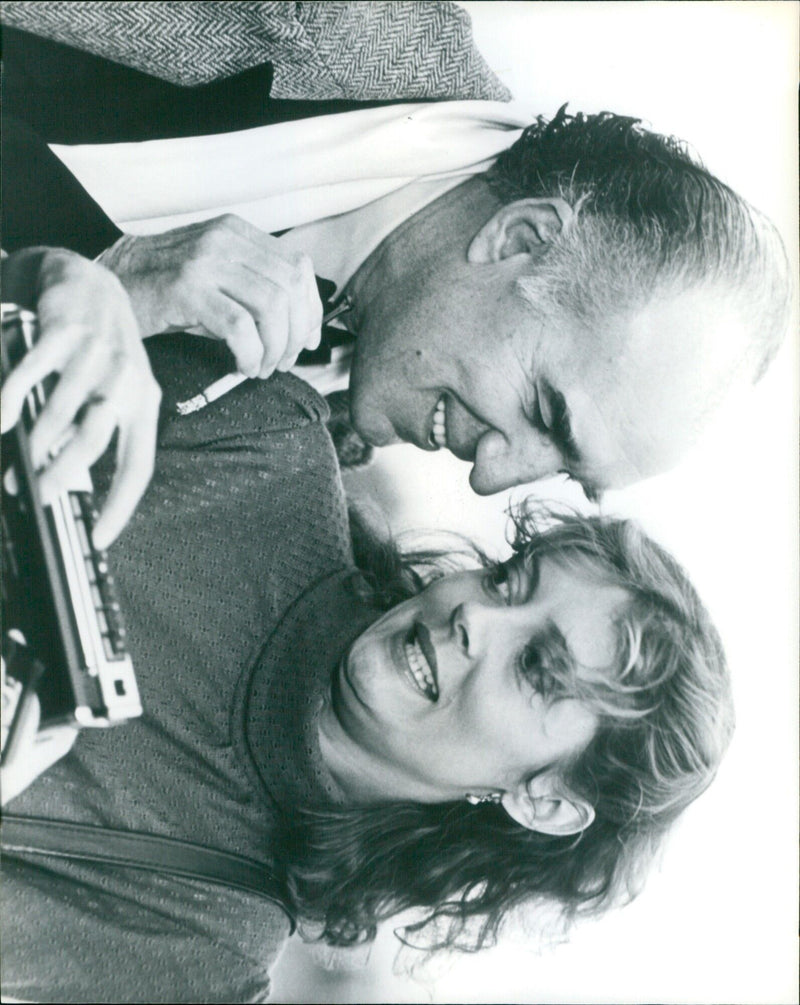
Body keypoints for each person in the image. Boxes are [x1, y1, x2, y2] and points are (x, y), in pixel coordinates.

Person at [1, 253, 734, 1002]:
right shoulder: (264, 445)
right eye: (508, 582)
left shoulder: (206, 946)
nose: (475, 615)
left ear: (542, 799)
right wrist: (68, 279)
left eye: (536, 667)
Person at [0, 15, 791, 540]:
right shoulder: (340, 20)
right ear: (520, 237)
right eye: (545, 412)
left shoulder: (305, 453)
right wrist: (99, 266)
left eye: (561, 474)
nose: (490, 478)